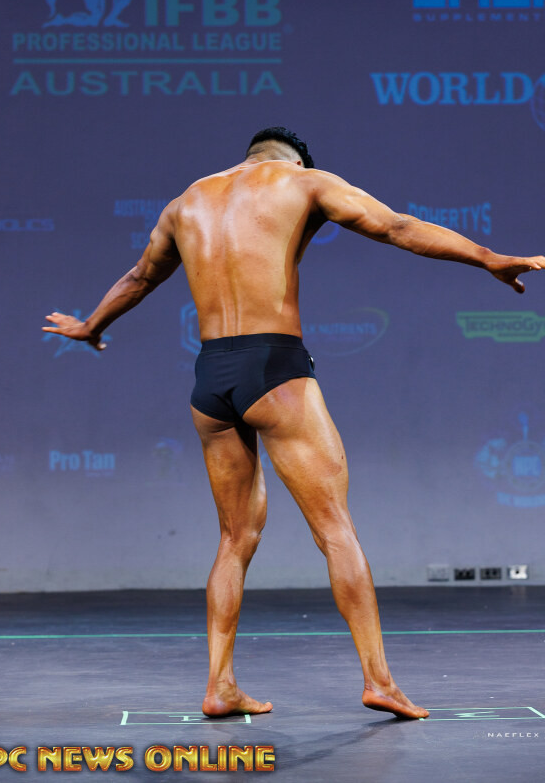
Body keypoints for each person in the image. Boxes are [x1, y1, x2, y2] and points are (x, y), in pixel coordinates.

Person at [43, 127, 545, 720]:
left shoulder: (186, 202)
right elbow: (397, 227)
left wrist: (91, 327)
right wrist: (487, 258)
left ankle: (220, 686)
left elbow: (139, 278)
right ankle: (379, 681)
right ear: (297, 160)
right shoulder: (304, 182)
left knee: (233, 539)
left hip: (211, 378)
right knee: (336, 531)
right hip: (274, 367)